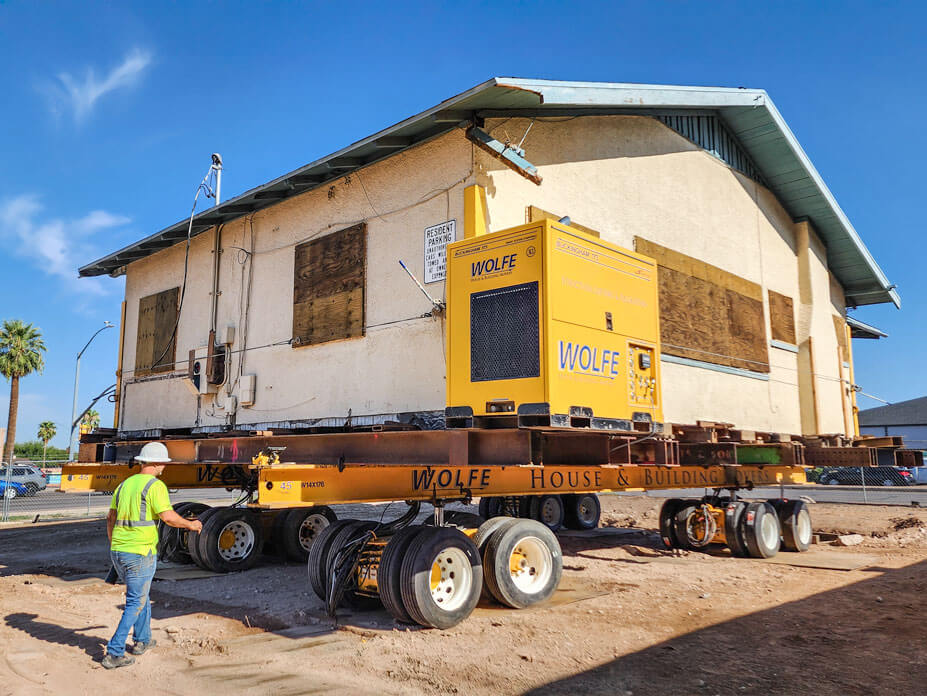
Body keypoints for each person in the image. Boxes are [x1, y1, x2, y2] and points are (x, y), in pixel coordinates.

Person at [102, 441, 203, 669]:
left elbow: (110, 518)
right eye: (163, 463)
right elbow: (167, 517)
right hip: (140, 551)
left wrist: (115, 544)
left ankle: (143, 640)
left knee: (142, 596)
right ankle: (115, 652)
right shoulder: (155, 486)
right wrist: (191, 525)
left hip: (119, 550)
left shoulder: (124, 485)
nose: (164, 468)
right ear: (156, 463)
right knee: (135, 601)